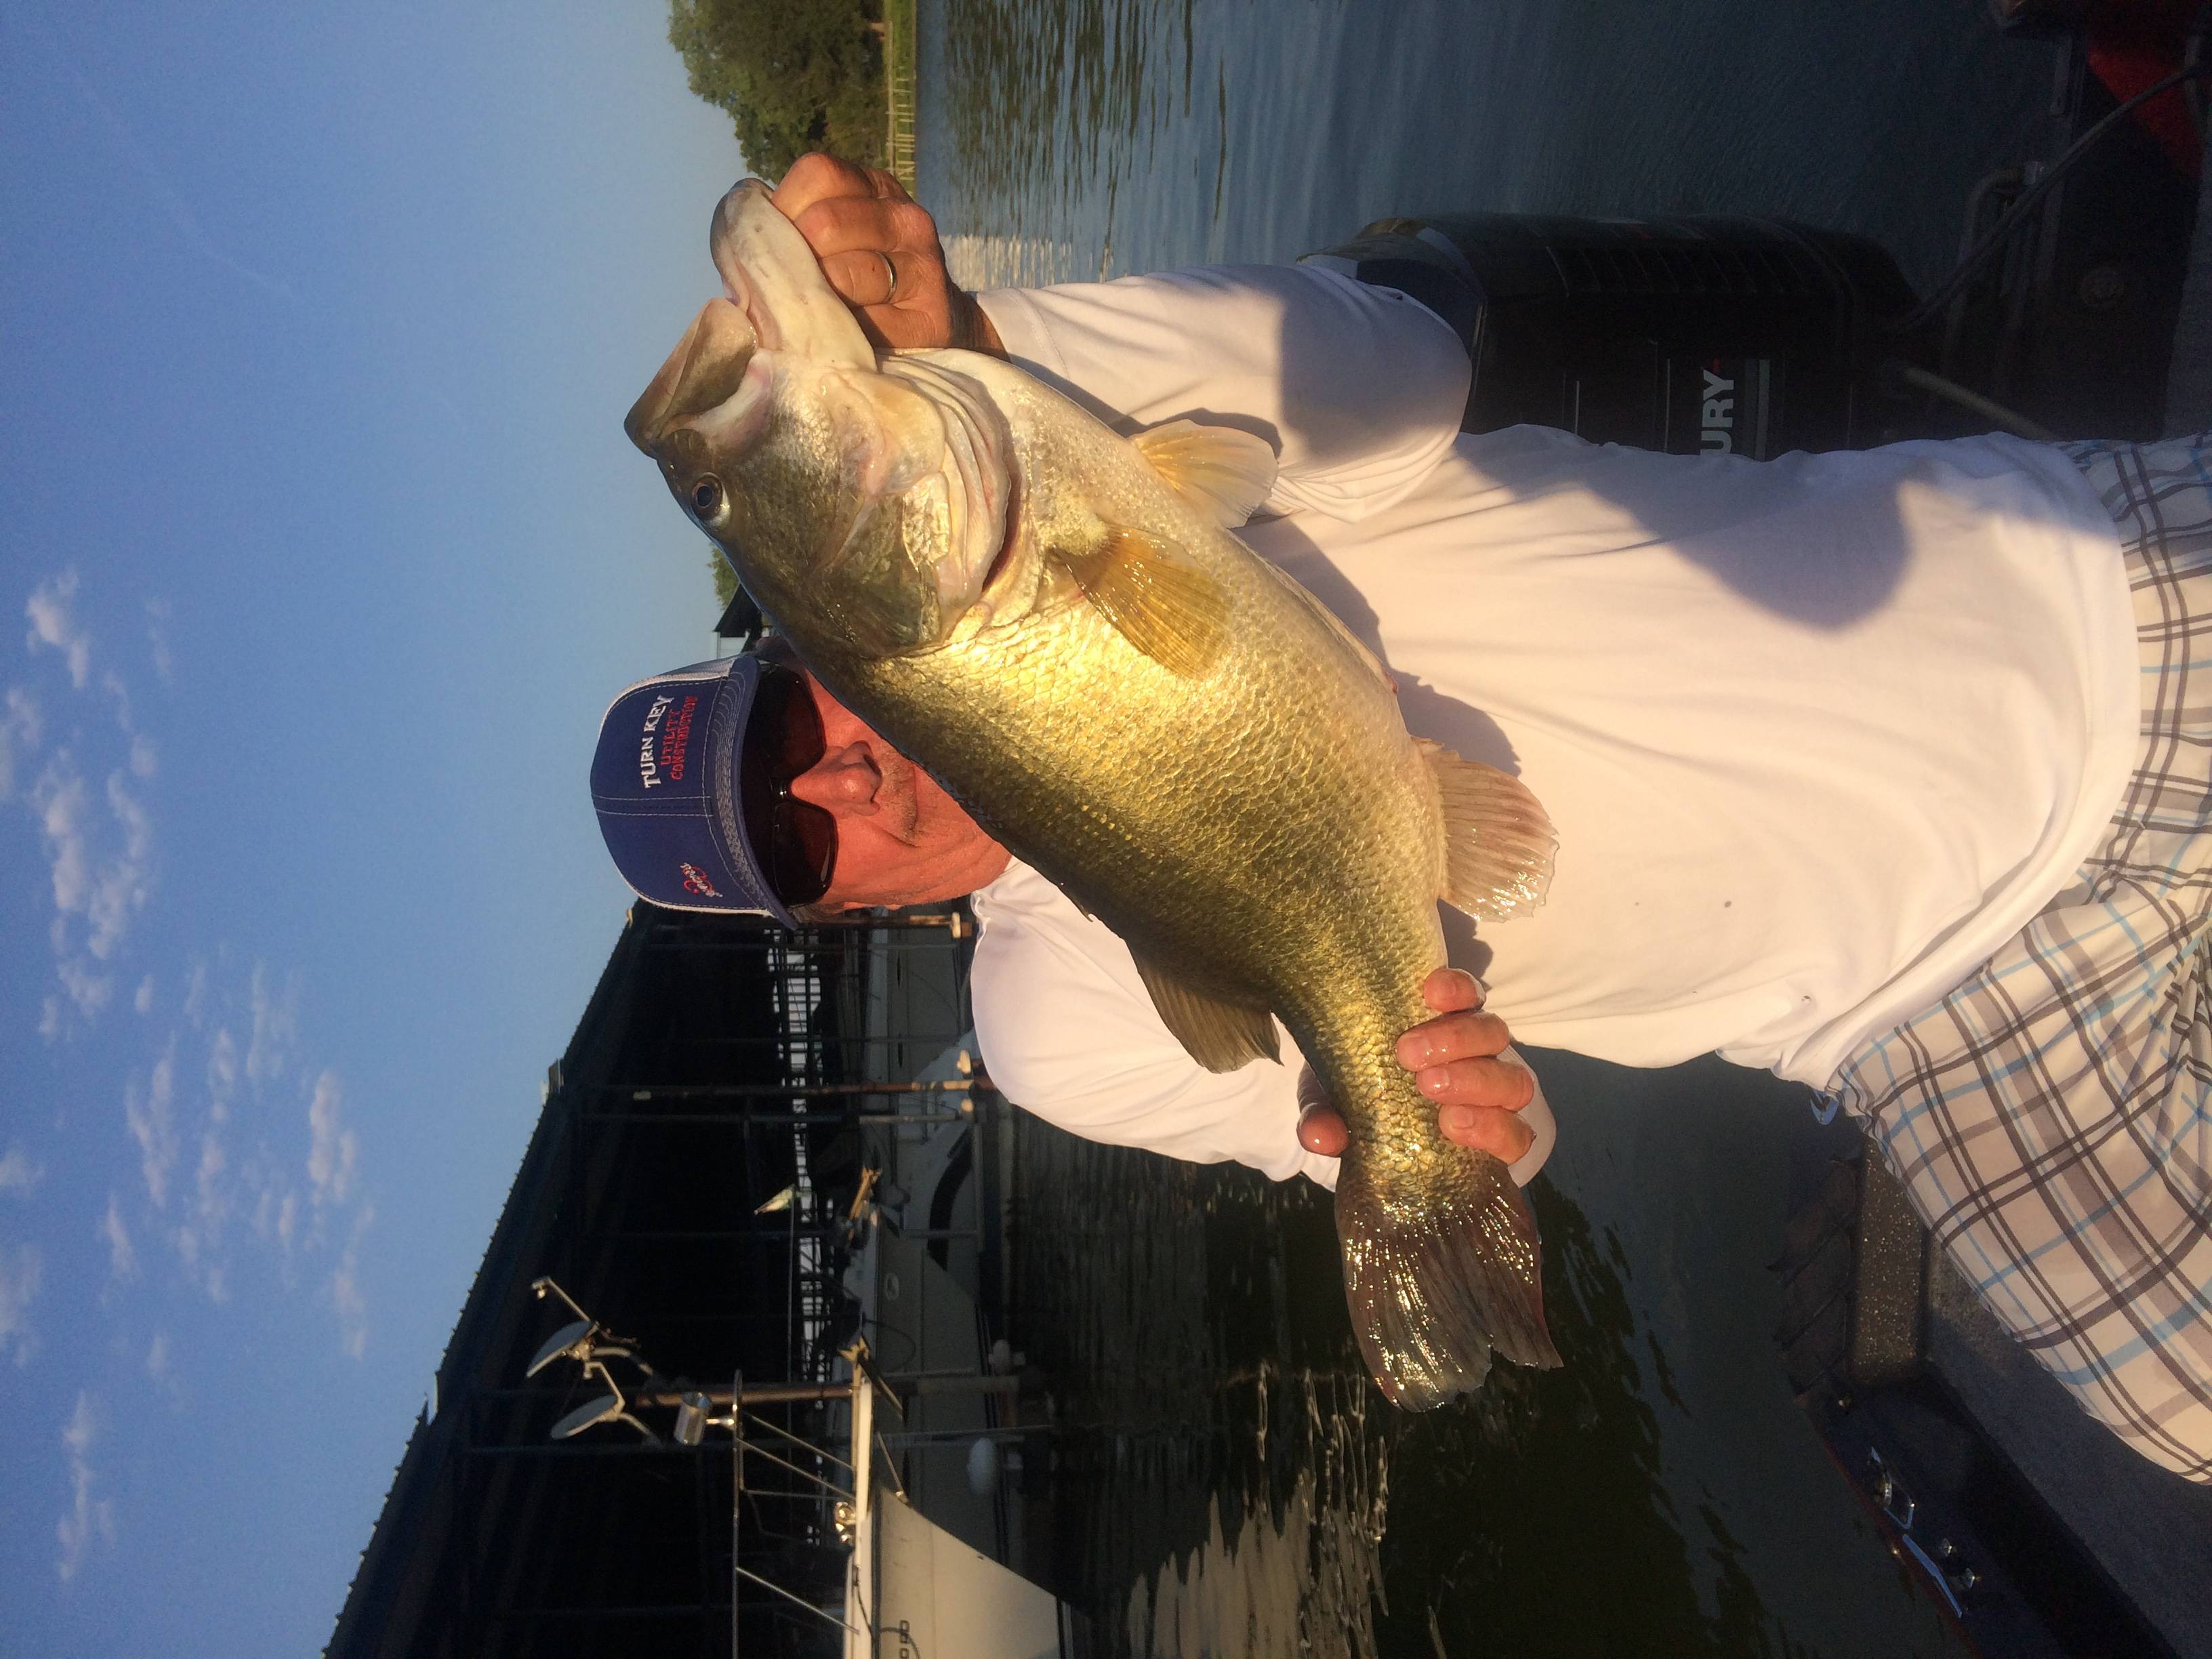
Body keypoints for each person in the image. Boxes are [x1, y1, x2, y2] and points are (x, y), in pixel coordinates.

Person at [591, 155, 2210, 1480]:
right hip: (1909, 1018)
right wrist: (1478, 1131)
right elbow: (1474, 1123)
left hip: (2084, 620)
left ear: (825, 649)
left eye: (793, 722)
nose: (840, 782)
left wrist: (987, 342)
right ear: (850, 914)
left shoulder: (1054, 438)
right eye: (797, 844)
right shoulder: (1049, 1034)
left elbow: (1405, 367)